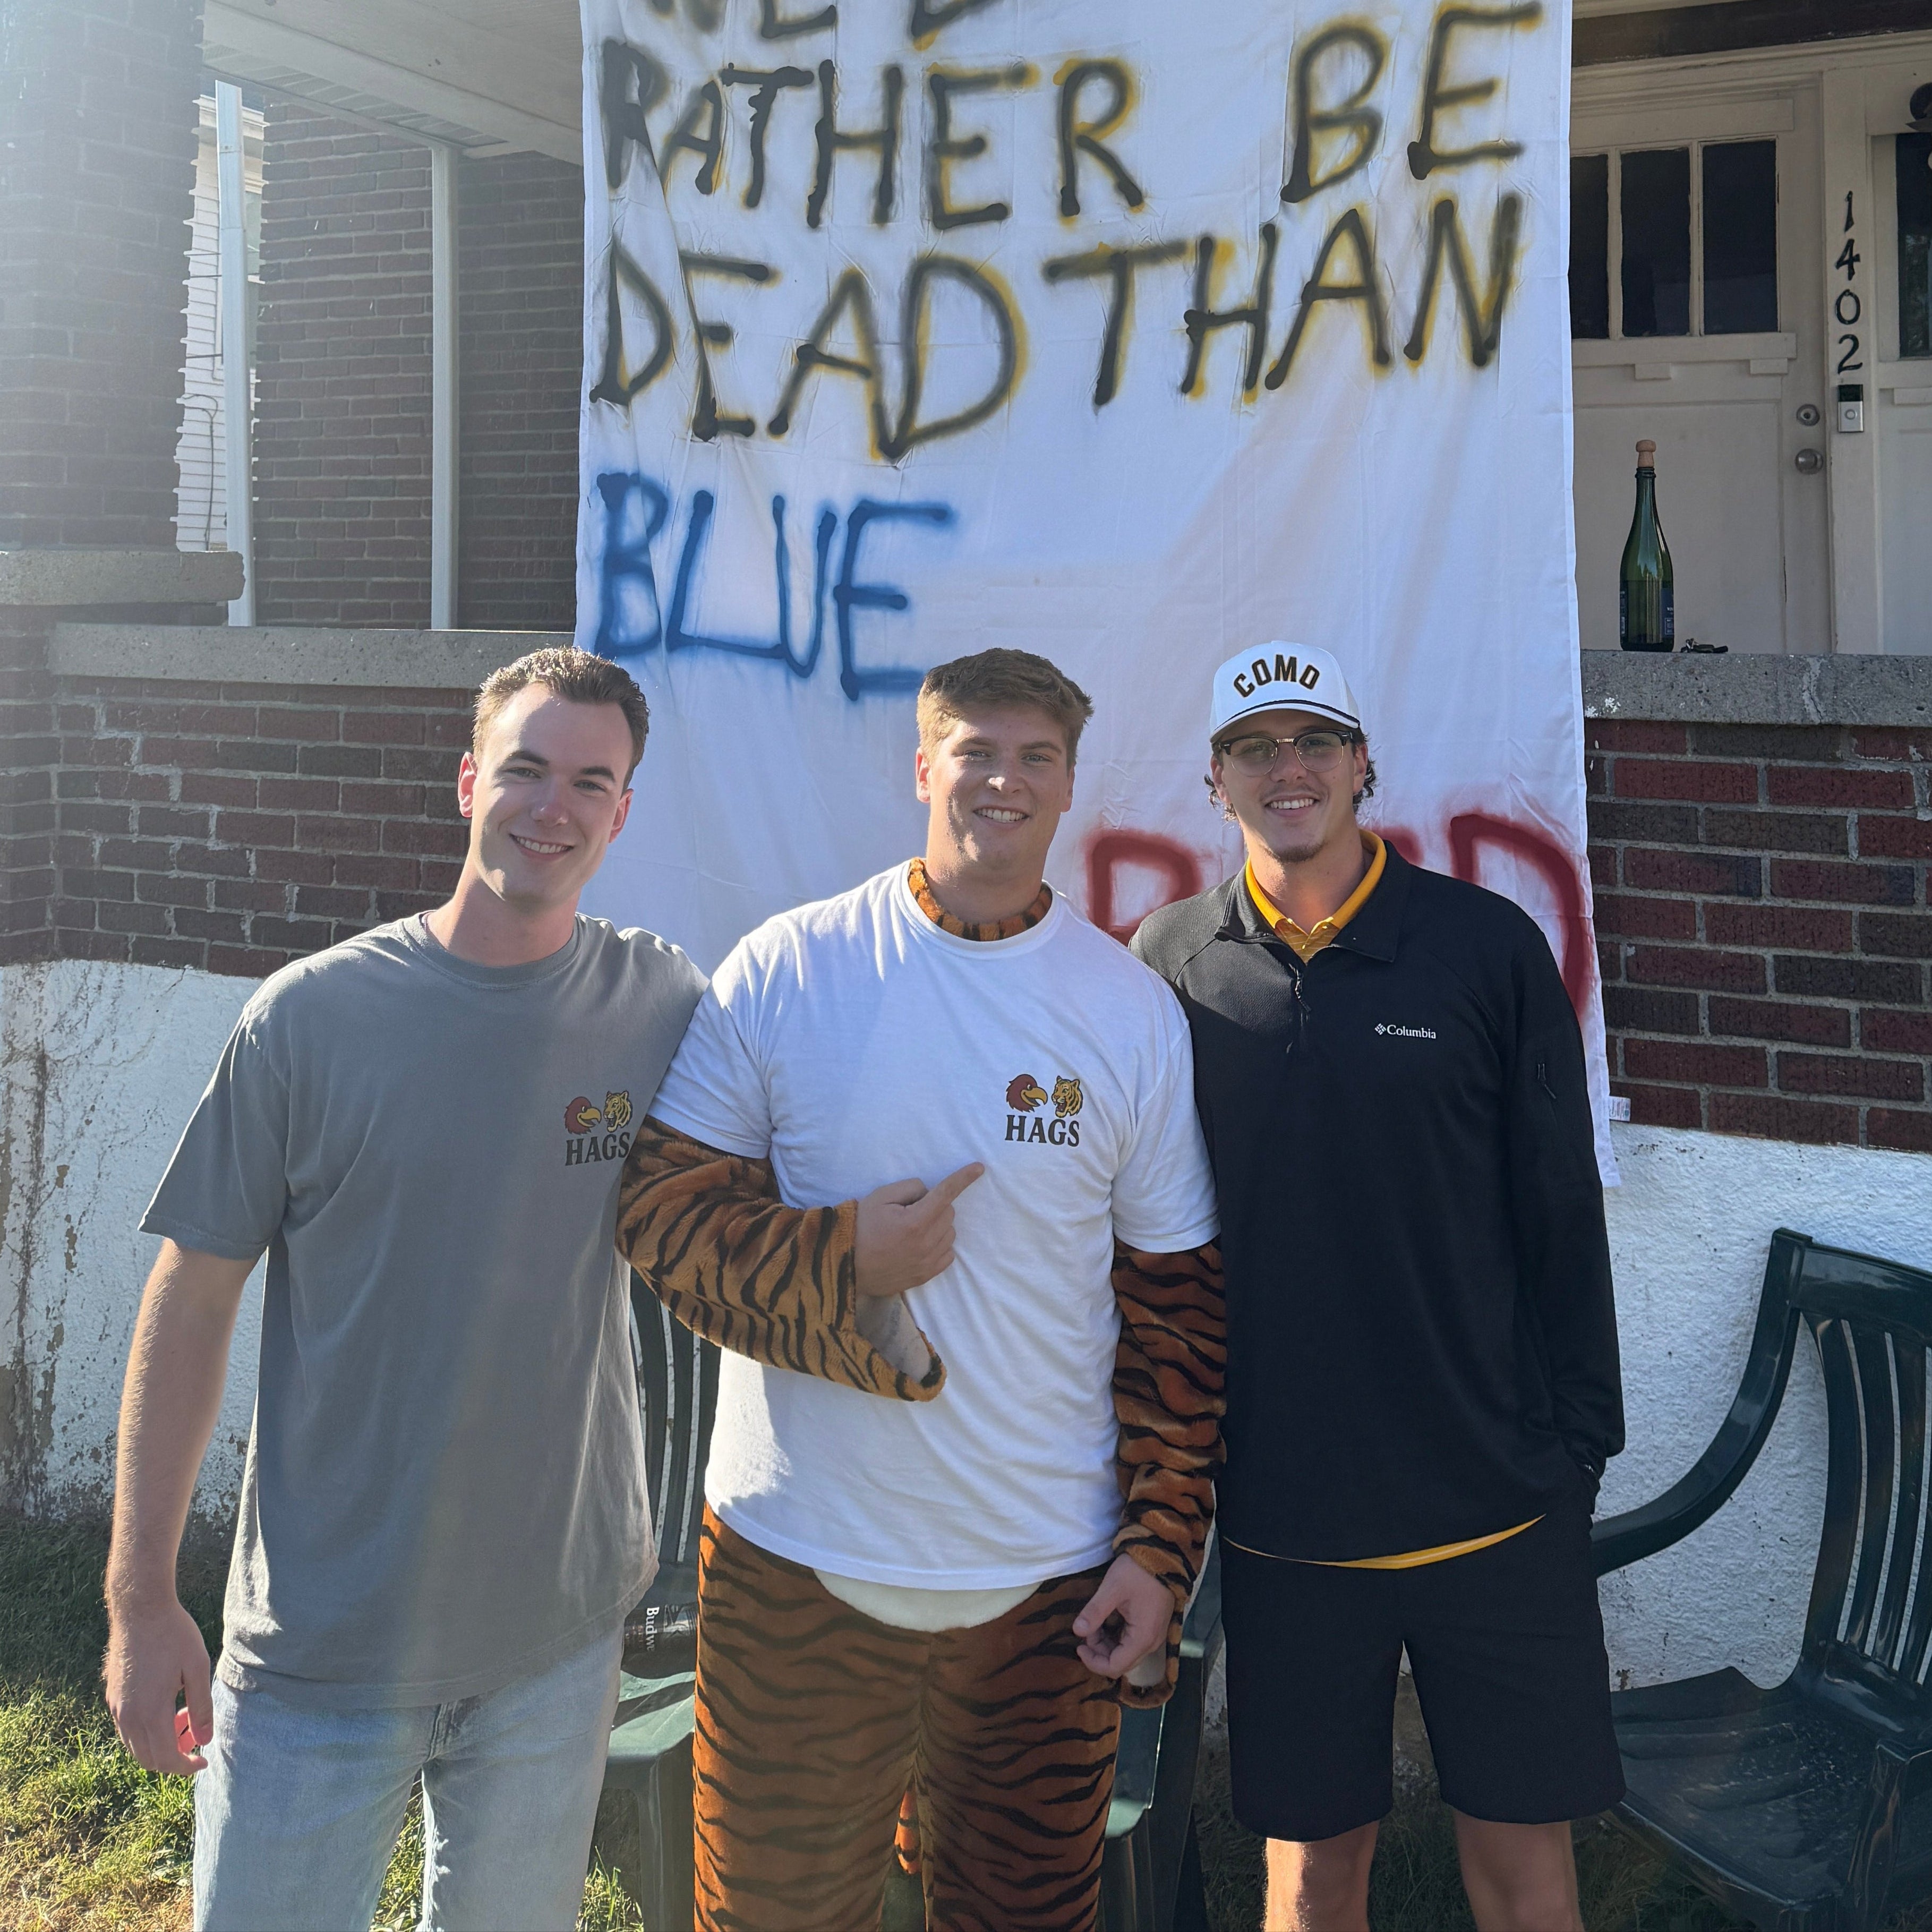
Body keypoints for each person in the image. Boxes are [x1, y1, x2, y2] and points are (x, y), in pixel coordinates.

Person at [615, 647, 1225, 1931]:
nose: (1002, 780)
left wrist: (1160, 1554)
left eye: (1034, 758)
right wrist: (843, 1263)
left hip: (1045, 1586)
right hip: (795, 1560)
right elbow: (660, 1220)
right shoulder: (789, 966)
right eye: (975, 751)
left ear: (1069, 785)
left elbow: (1176, 1317)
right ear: (921, 766)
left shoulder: (1127, 1011)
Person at [103, 648, 705, 1932]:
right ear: (467, 778)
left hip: (556, 1631)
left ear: (622, 812)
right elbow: (192, 1297)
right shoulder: (308, 1021)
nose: (553, 808)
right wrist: (141, 1600)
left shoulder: (655, 1002)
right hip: (328, 1642)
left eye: (590, 782)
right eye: (527, 769)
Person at [1132, 643, 1624, 1932]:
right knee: (1310, 1878)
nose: (1285, 768)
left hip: (1497, 1508)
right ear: (1215, 781)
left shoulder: (1482, 946)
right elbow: (1140, 1235)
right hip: (1286, 1522)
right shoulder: (1168, 959)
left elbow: (1559, 1211)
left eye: (1312, 741)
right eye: (1255, 747)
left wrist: (1577, 1443)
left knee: (1525, 1877)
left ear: (1362, 764)